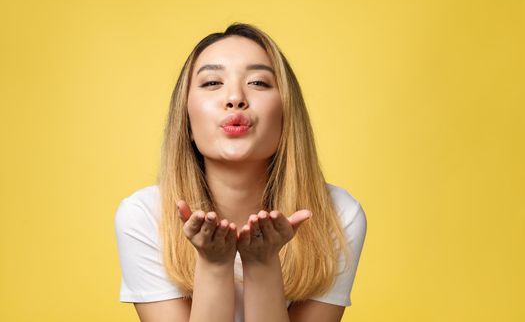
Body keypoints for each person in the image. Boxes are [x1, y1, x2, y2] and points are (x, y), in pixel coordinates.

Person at [115, 22, 367, 322]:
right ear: (186, 122)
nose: (235, 98)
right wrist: (214, 264)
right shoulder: (144, 217)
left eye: (258, 82)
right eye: (212, 83)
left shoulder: (337, 215)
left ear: (287, 115)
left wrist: (261, 263)